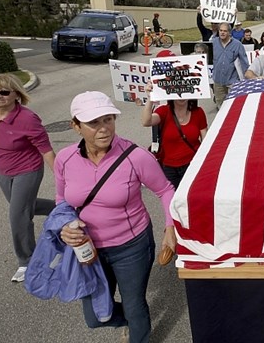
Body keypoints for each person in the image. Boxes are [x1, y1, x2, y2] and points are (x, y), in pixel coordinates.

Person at [56, 91, 176, 343]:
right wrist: (64, 226)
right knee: (96, 316)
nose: (104, 129)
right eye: (93, 123)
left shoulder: (135, 156)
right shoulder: (65, 159)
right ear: (75, 126)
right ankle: (133, 321)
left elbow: (165, 190)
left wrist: (169, 228)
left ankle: (137, 329)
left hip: (131, 247)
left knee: (134, 305)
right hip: (88, 250)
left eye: (108, 119)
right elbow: (62, 202)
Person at [0, 73, 56, 283]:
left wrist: (64, 179)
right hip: (3, 171)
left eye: (4, 92)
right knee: (24, 207)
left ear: (16, 94)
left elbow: (46, 151)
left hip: (28, 170)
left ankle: (28, 261)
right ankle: (58, 207)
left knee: (18, 216)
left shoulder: (27, 118)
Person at [141, 83, 208, 189]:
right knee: (174, 200)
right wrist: (150, 98)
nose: (182, 96)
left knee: (192, 196)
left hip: (193, 164)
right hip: (169, 167)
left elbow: (206, 141)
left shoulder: (198, 112)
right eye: (178, 92)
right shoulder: (163, 111)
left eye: (185, 91)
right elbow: (146, 121)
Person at [212, 22, 249, 108]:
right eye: (221, 30)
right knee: (221, 107)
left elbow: (244, 62)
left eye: (225, 31)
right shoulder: (213, 43)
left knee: (233, 106)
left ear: (229, 32)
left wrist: (246, 79)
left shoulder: (237, 45)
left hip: (232, 81)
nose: (222, 33)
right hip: (218, 81)